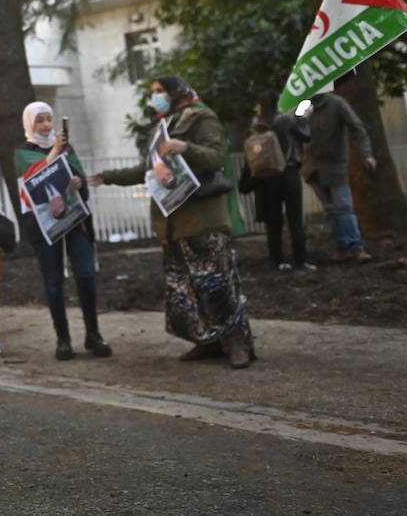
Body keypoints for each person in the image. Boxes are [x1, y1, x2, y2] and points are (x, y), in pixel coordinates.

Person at [90, 75, 254, 369]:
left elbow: (217, 158)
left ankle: (238, 342)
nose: (155, 97)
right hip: (173, 222)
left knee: (216, 284)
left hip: (202, 218)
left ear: (176, 92)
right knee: (186, 288)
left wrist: (186, 148)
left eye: (160, 91)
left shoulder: (201, 118)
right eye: (152, 92)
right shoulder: (163, 127)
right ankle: (208, 340)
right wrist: (109, 177)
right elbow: (148, 169)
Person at [15, 102, 111, 360]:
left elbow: (80, 180)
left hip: (75, 223)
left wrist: (78, 183)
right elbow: (32, 182)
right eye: (40, 121)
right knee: (54, 282)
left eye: (49, 119)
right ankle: (63, 339)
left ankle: (93, 334)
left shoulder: (68, 149)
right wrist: (55, 151)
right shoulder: (23, 152)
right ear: (30, 124)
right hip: (45, 227)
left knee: (86, 275)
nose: (46, 125)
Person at [301, 92, 376, 263]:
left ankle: (355, 246)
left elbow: (357, 127)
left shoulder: (337, 103)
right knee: (331, 210)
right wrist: (304, 118)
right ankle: (342, 246)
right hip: (312, 168)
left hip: (335, 166)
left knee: (343, 206)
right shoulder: (303, 105)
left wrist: (366, 154)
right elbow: (296, 130)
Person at [251, 91, 314, 271]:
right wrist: (304, 116)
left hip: (266, 176)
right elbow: (306, 135)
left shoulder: (258, 125)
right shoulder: (284, 120)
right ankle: (300, 260)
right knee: (295, 218)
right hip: (288, 172)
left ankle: (277, 260)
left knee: (273, 220)